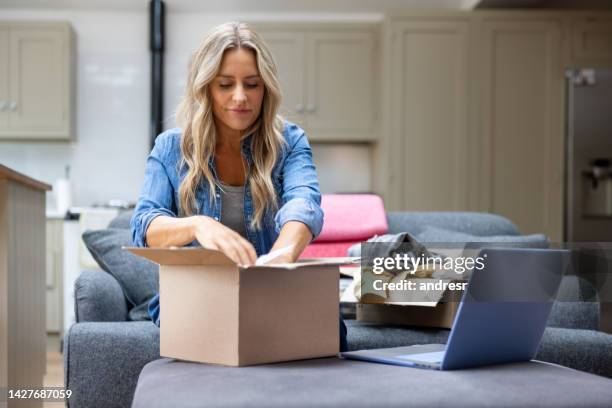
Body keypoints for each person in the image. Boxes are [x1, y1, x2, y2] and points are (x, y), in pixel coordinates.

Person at [130, 21, 347, 351]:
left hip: (273, 291)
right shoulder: (170, 147)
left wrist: (282, 256)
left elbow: (303, 204)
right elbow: (145, 225)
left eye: (252, 84)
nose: (240, 97)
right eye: (225, 84)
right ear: (206, 89)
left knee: (332, 328)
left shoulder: (289, 141)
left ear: (266, 88)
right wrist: (197, 225)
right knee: (228, 331)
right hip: (198, 294)